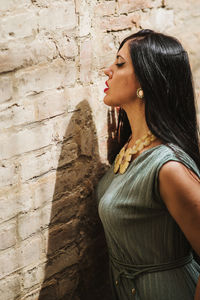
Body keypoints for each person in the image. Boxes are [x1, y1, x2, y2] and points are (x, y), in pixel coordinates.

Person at [95, 29, 200, 300]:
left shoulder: (169, 168)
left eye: (119, 64)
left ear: (147, 79)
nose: (107, 70)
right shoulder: (128, 147)